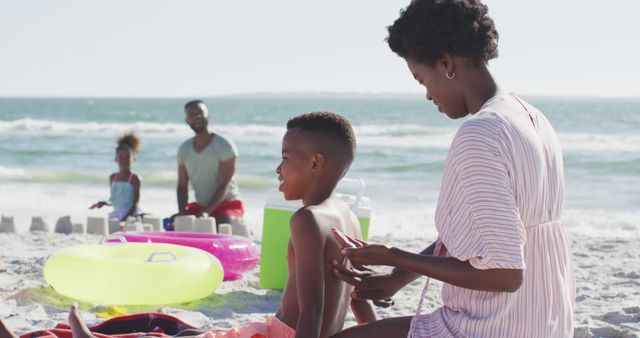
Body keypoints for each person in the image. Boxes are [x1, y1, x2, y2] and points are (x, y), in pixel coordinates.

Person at [331, 1, 575, 337]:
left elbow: (505, 273)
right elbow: (497, 232)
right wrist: (399, 279)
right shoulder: (531, 117)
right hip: (544, 321)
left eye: (421, 80)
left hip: (491, 326)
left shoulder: (480, 133)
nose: (428, 95)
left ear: (445, 63)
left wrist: (395, 257)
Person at [42, 112, 374, 338]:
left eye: (286, 158)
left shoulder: (307, 219)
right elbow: (359, 296)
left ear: (316, 162)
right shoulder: (347, 217)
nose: (278, 169)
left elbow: (312, 310)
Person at [174, 100, 244, 229]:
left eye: (200, 112)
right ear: (187, 121)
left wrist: (207, 212)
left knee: (222, 224)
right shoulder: (184, 149)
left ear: (208, 115)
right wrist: (182, 212)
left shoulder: (224, 146)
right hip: (200, 206)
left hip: (227, 204)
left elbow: (224, 185)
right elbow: (182, 187)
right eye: (192, 114)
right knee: (175, 224)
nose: (197, 116)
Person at [90, 132, 141, 222]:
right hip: (116, 214)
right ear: (116, 159)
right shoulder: (113, 178)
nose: (124, 160)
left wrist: (126, 218)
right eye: (121, 157)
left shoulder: (134, 178)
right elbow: (114, 200)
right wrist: (105, 203)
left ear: (133, 158)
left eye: (127, 157)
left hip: (131, 214)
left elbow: (135, 203)